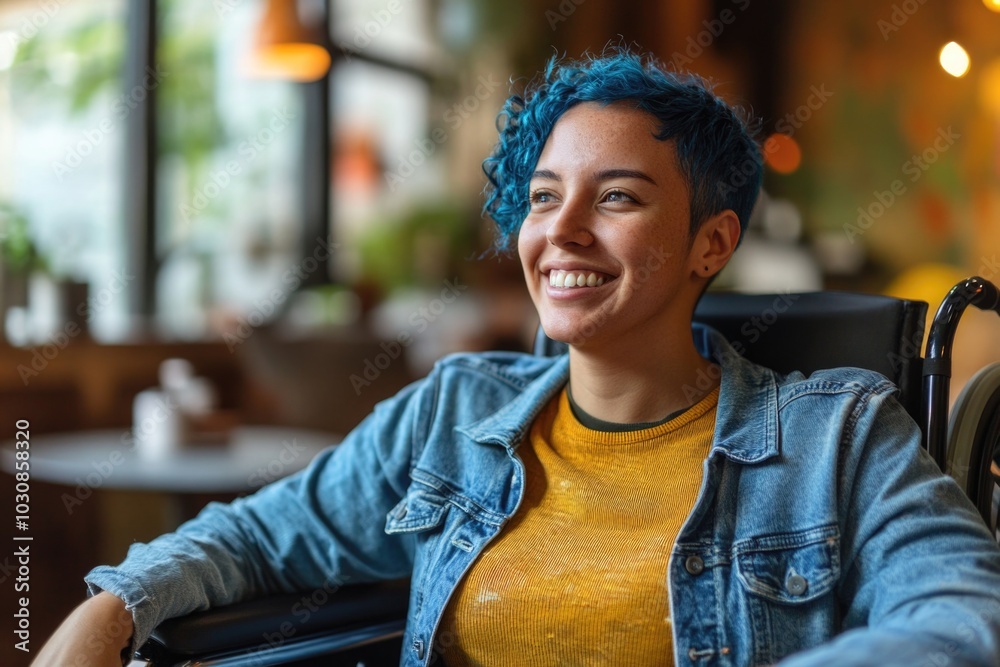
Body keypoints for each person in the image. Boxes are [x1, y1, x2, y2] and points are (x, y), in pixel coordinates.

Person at [35, 48, 1000, 667]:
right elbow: (254, 535)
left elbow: (964, 616)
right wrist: (109, 609)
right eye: (544, 198)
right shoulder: (453, 415)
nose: (562, 233)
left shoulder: (838, 434)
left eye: (616, 197)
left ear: (712, 243)